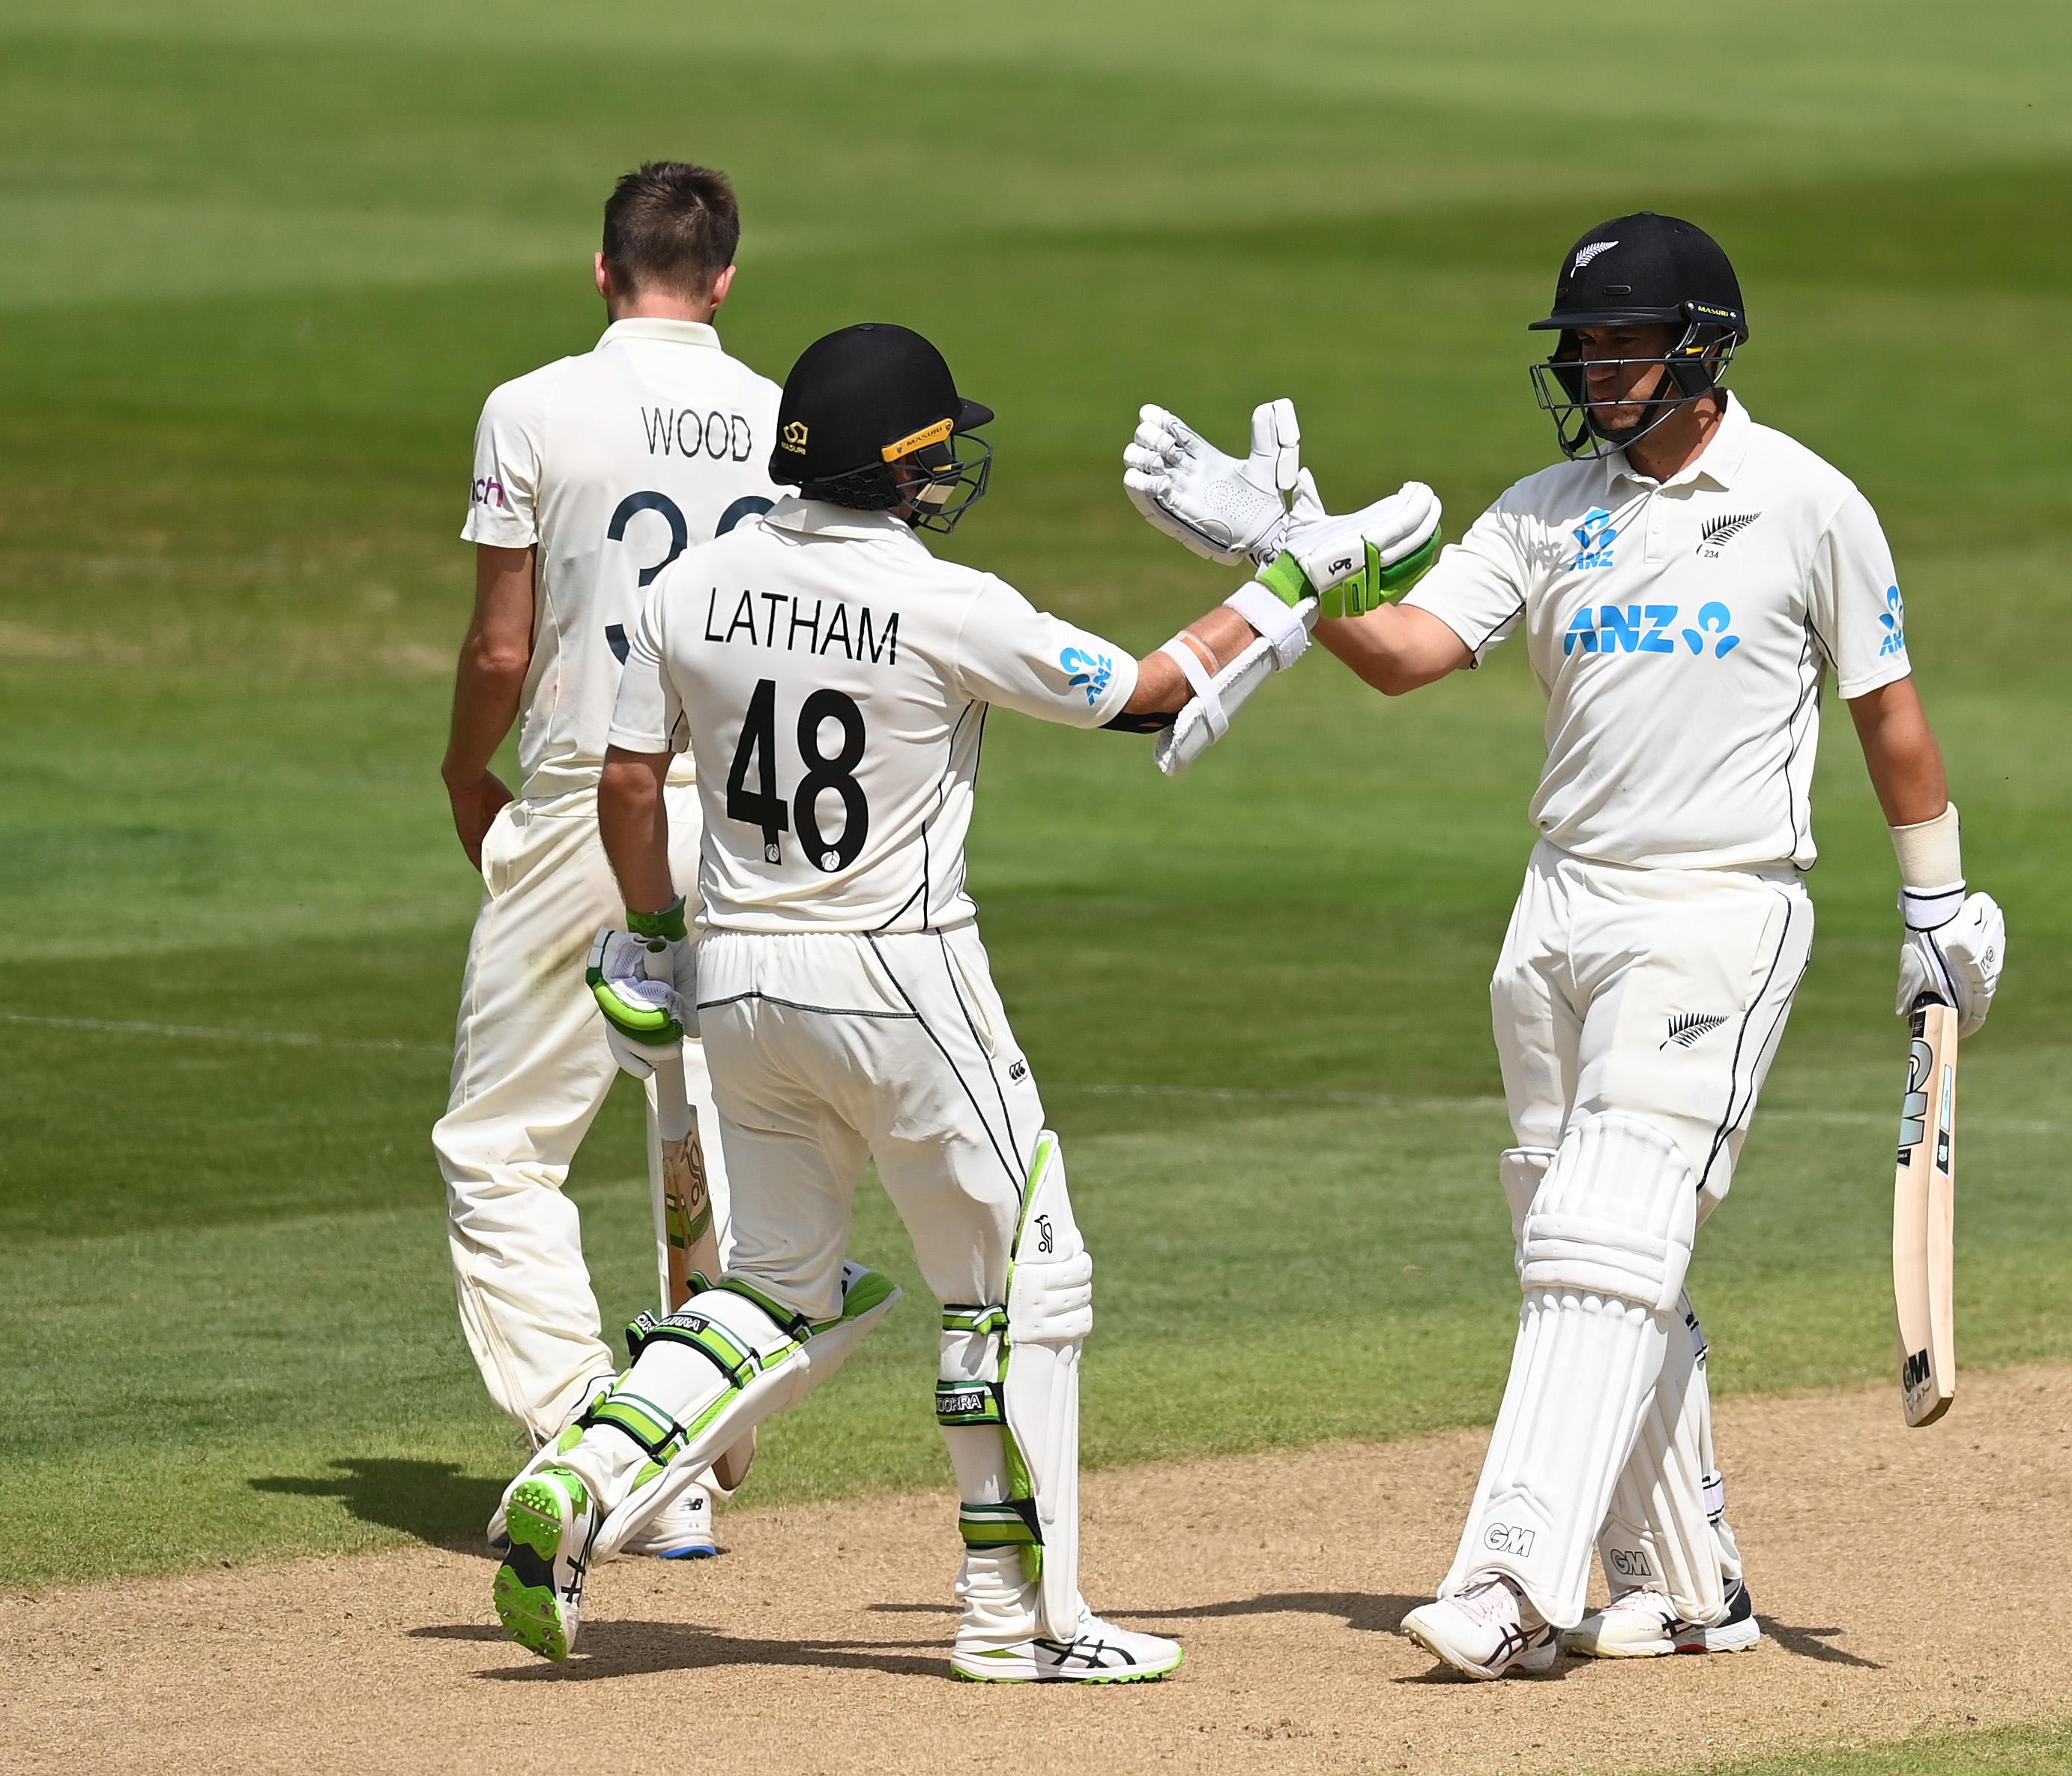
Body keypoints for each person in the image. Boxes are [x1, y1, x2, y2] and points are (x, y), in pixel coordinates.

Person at [1120, 213, 2008, 1679]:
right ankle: (1683, 1583)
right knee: (1570, 1225)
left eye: (1623, 344)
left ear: (1699, 348)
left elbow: (1886, 712)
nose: (1597, 370)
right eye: (1581, 348)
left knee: (1604, 1235)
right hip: (1557, 908)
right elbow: (1403, 653)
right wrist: (1290, 556)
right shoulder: (1543, 509)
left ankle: (1511, 1580)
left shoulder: (1804, 503)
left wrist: (1935, 904)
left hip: (1716, 907)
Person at [489, 321, 1438, 1680]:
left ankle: (583, 1473)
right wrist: (1297, 569)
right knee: (1018, 1285)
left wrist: (649, 940)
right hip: (901, 976)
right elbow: (1152, 695)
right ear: (904, 468)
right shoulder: (948, 599)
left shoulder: (689, 588)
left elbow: (631, 783)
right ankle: (1019, 1618)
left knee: (769, 1289)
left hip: (741, 977)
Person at [438, 161, 779, 1558]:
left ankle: (606, 1440)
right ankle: (686, 1458)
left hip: (595, 790)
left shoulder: (532, 407)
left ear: (601, 270)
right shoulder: (784, 416)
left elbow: (502, 648)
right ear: (723, 283)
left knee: (499, 1145)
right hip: (758, 809)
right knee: (694, 1131)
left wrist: (467, 770)